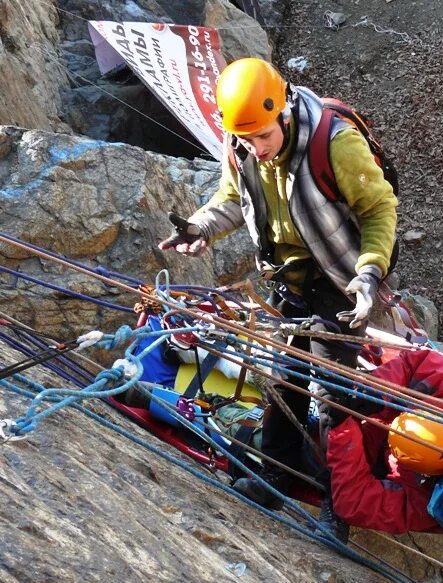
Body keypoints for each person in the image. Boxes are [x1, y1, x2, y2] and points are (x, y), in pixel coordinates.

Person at [158, 57, 398, 509]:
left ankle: (341, 502)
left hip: (340, 281)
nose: (256, 148)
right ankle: (276, 478)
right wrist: (199, 227)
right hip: (287, 280)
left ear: (284, 110)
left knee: (332, 394)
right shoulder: (243, 145)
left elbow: (379, 209)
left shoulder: (336, 145)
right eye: (246, 140)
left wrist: (369, 272)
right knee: (281, 380)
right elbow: (232, 199)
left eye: (264, 136)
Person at [323, 347, 443, 535]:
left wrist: (343, 432)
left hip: (367, 450)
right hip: (376, 421)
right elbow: (417, 360)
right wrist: (376, 392)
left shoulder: (429, 502)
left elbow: (353, 503)